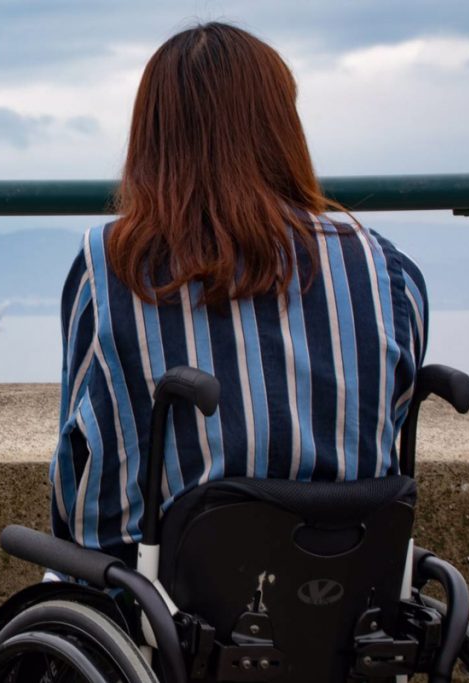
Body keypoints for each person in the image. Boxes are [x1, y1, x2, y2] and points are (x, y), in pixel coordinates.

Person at [49, 22, 428, 559]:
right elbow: (387, 433)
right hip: (348, 594)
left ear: (154, 136)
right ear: (283, 126)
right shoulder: (386, 269)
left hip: (168, 600)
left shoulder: (113, 264)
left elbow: (81, 458)